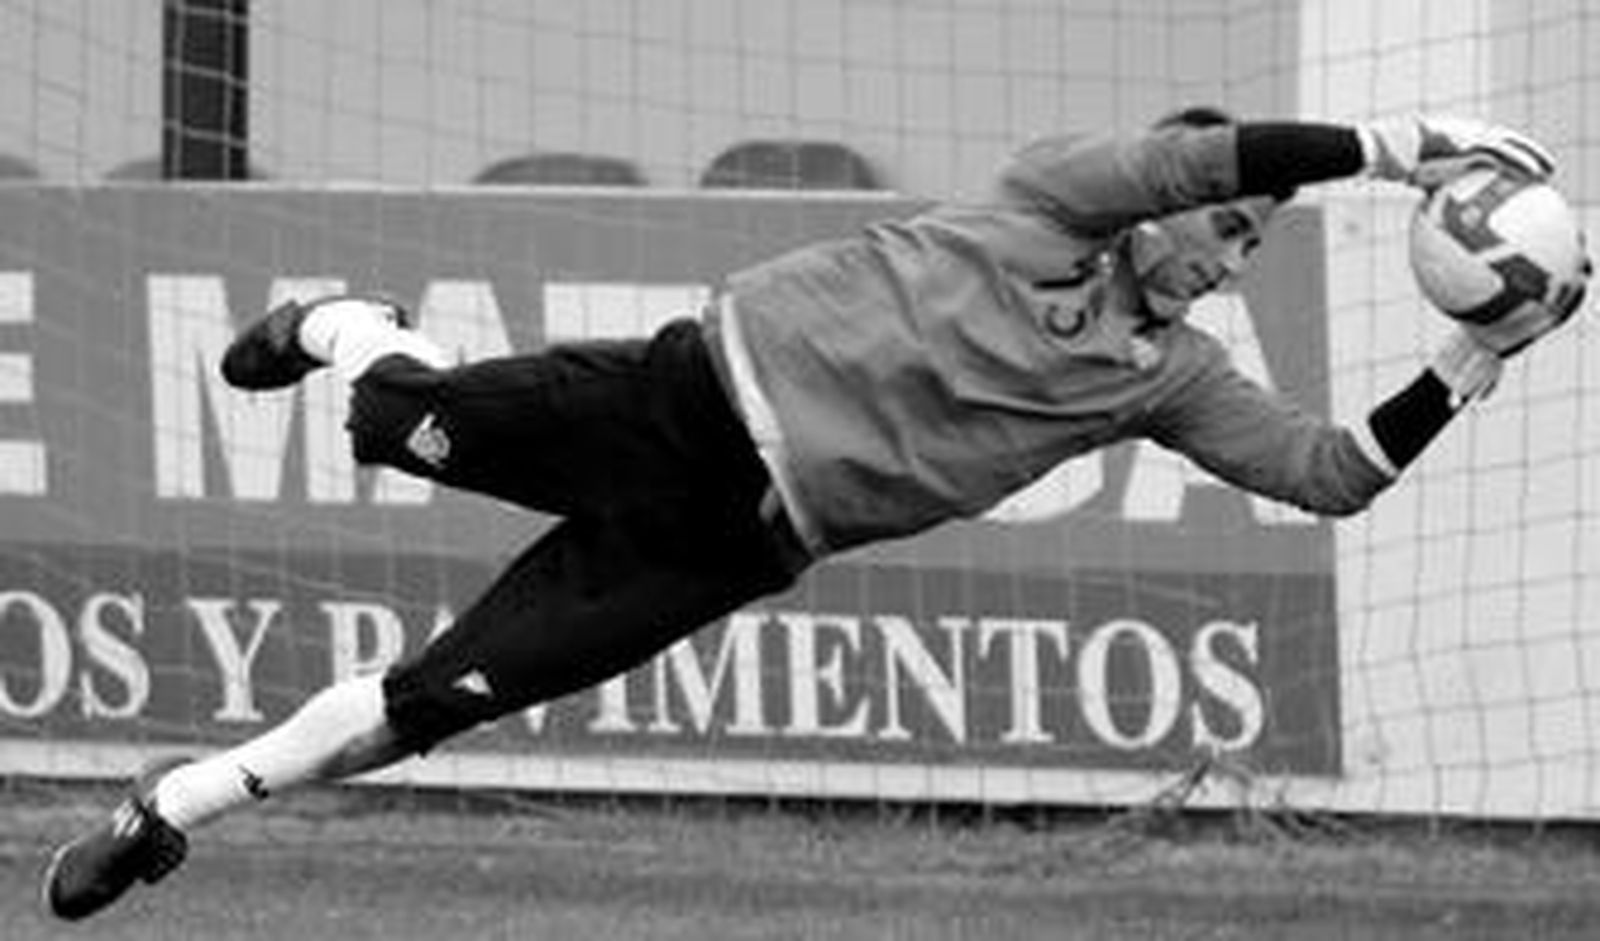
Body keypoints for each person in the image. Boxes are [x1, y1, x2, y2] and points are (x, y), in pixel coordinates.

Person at [43, 108, 1586, 921]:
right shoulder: (1054, 194)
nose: (1230, 256)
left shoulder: (1163, 373)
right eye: (1228, 226)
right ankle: (338, 320)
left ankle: (170, 811)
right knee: (385, 414)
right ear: (1164, 203)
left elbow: (1332, 473)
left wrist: (1472, 354)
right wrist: (1403, 148)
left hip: (732, 540)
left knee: (435, 696)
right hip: (673, 396)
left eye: (1250, 244)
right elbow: (1202, 148)